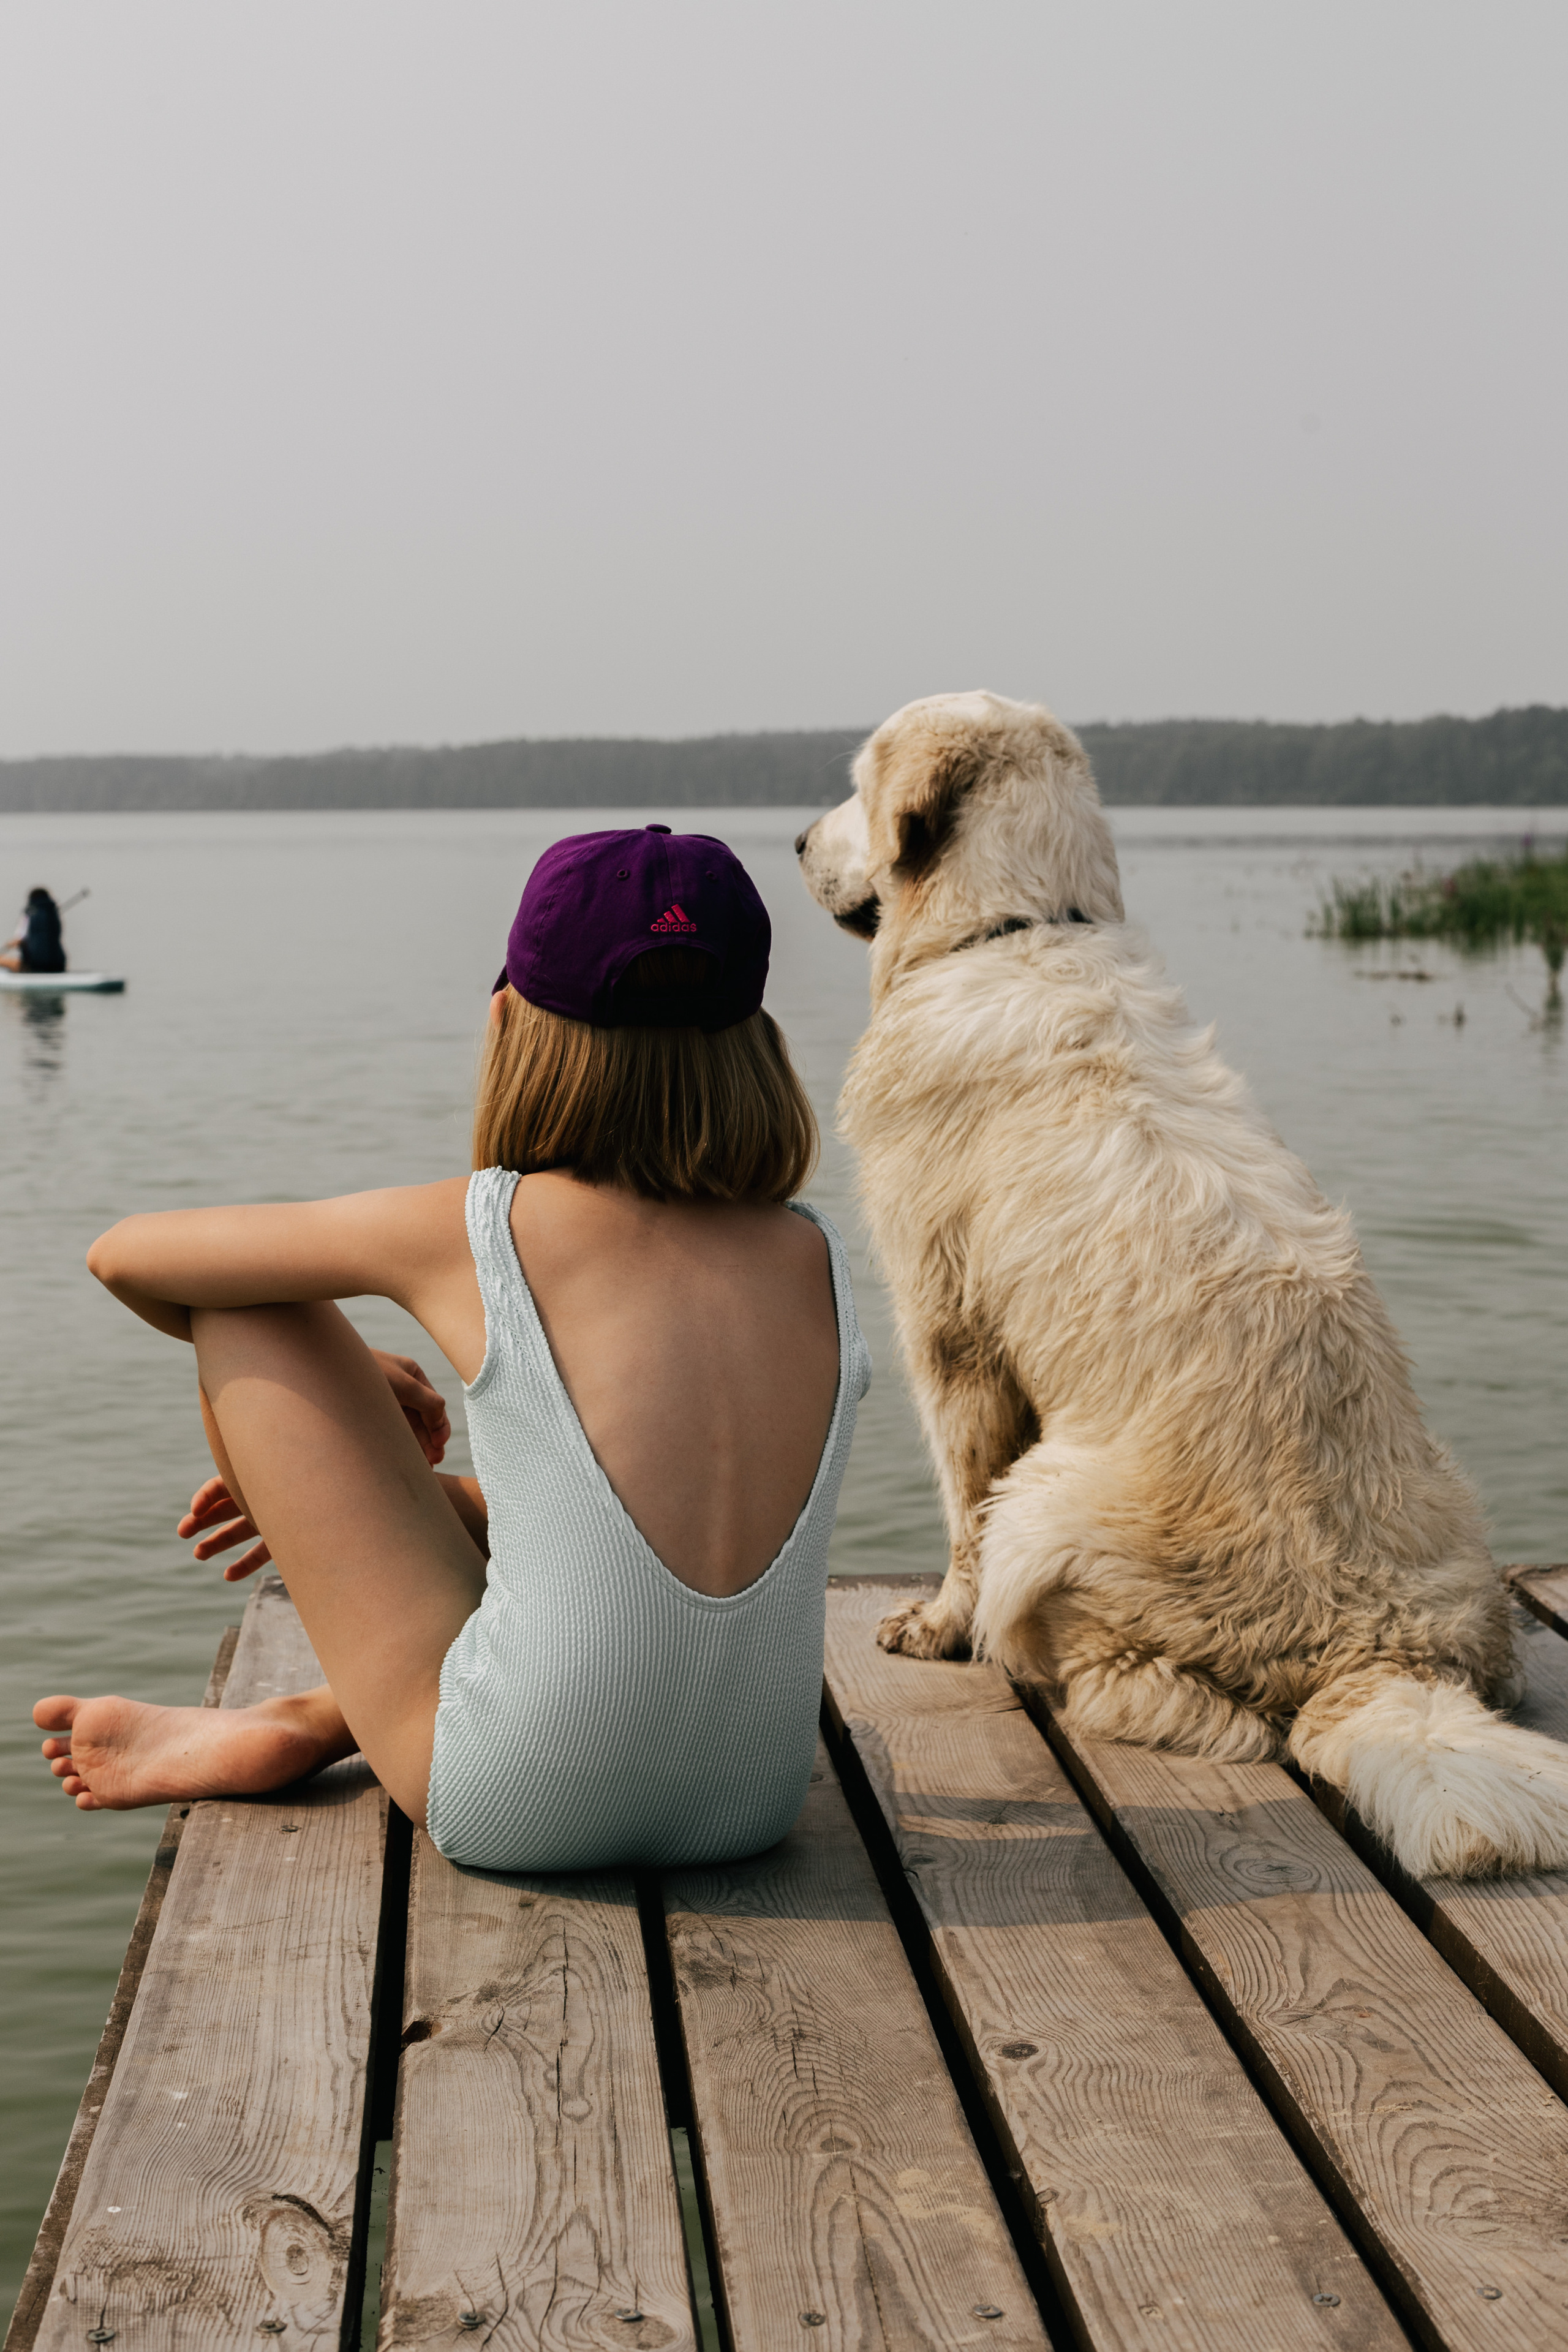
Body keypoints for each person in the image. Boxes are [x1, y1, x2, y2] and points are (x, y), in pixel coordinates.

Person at [34, 826, 870, 1872]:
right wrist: (416, 1484)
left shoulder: (479, 1227)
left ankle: (314, 1717)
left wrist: (355, 1391)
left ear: (511, 1021)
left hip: (509, 1798)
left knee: (251, 1305)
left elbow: (127, 1259)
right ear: (756, 1035)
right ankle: (319, 1713)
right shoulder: (816, 1252)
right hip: (753, 1797)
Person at [1, 887, 67, 974]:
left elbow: (19, 939)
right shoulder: (53, 914)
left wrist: (9, 944)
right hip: (58, 963)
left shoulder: (30, 913)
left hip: (35, 964)